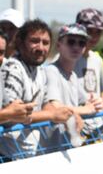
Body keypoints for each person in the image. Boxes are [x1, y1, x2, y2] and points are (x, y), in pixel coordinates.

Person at [0, 19, 74, 158]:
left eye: (45, 43)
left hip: (30, 155)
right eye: (34, 41)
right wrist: (53, 116)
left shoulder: (41, 71)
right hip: (9, 156)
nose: (40, 48)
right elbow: (15, 114)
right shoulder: (13, 68)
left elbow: (47, 106)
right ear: (20, 43)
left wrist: (65, 113)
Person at [43, 23, 103, 151]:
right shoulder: (51, 71)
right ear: (59, 45)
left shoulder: (73, 75)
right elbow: (56, 107)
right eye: (71, 42)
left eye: (81, 43)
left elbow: (87, 102)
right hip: (52, 149)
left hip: (67, 146)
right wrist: (87, 109)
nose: (76, 47)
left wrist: (95, 103)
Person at [75, 8, 103, 135]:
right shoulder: (66, 59)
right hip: (76, 129)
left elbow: (102, 94)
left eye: (98, 32)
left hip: (99, 129)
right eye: (89, 31)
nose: (93, 37)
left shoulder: (97, 59)